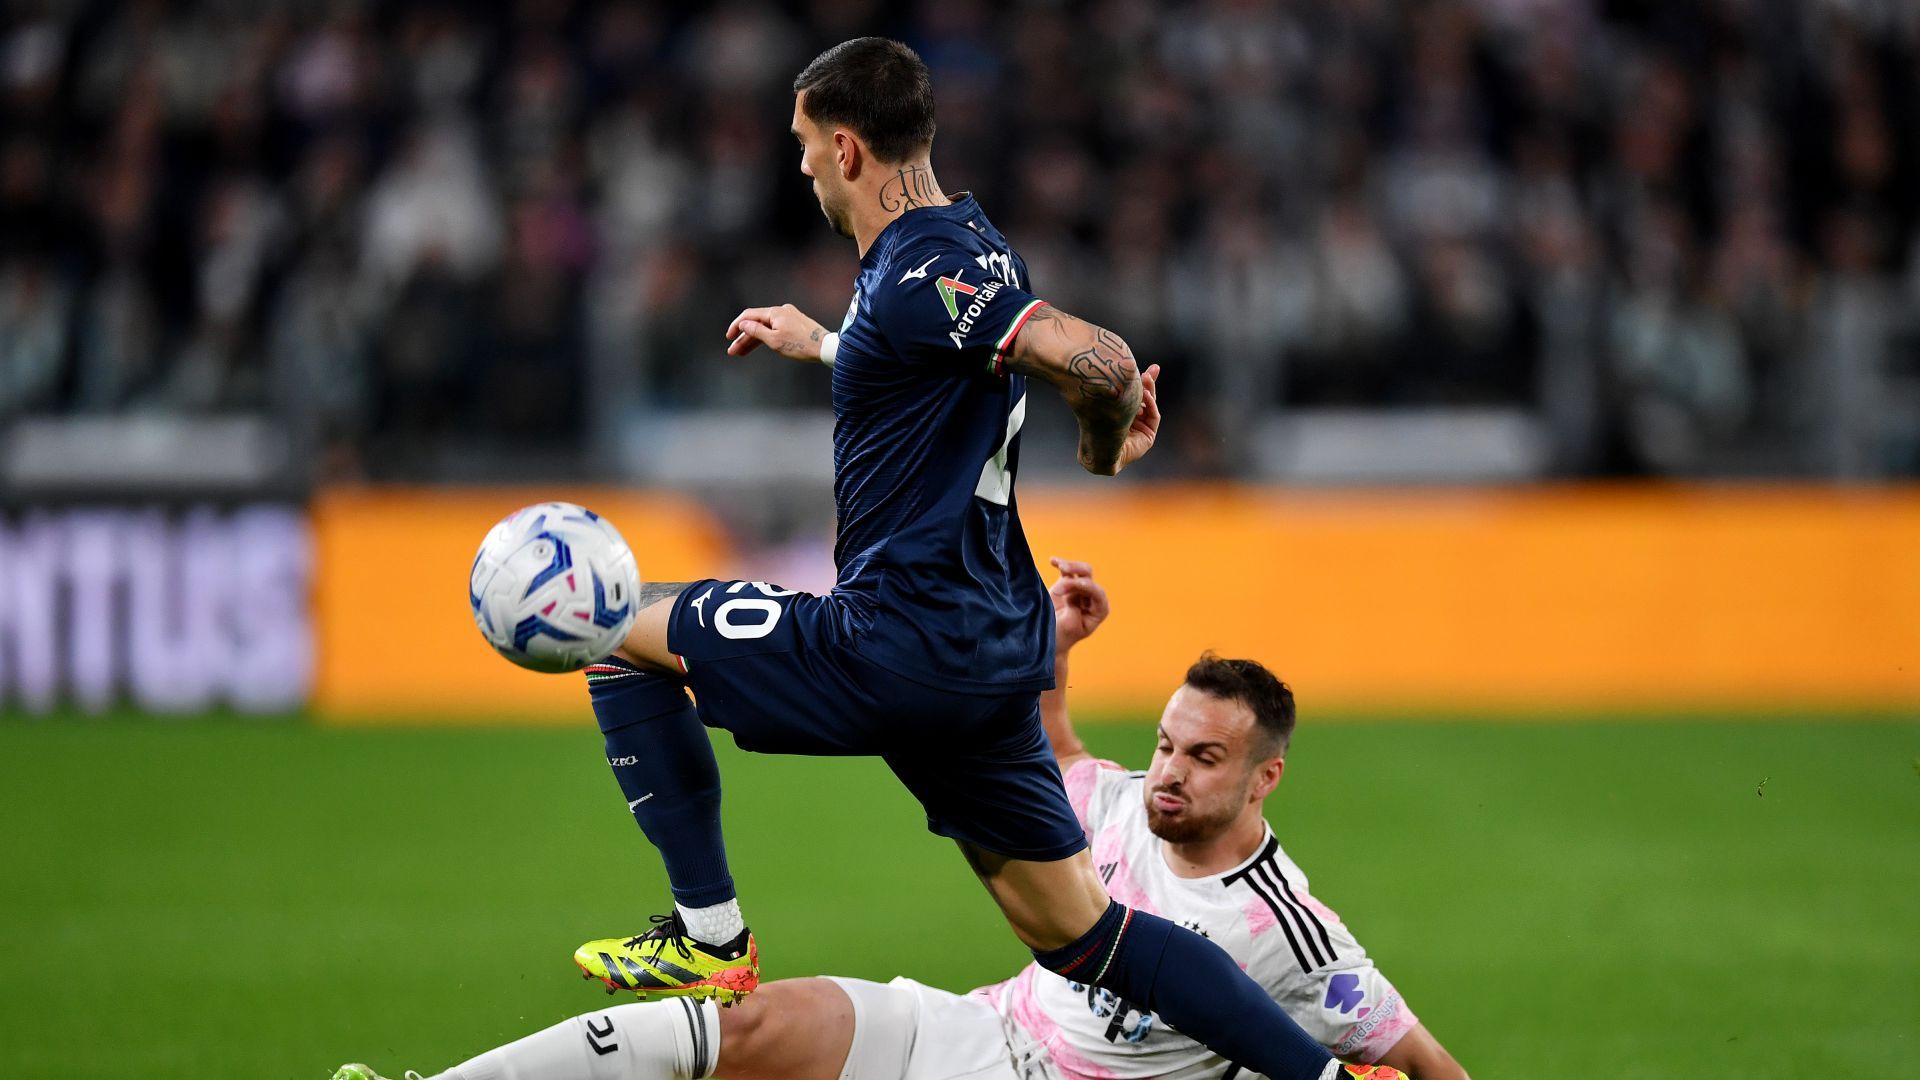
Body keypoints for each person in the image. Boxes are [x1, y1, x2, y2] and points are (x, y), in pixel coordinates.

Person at [565, 37, 1364, 1080]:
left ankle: (709, 939)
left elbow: (1101, 357)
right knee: (1088, 937)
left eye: (806, 146)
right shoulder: (970, 243)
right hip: (991, 656)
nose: (799, 166)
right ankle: (1326, 1078)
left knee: (610, 624)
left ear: (847, 149)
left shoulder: (918, 271)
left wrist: (1101, 445)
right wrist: (827, 346)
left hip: (896, 639)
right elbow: (943, 362)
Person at [331, 561, 1463, 1080]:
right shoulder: (1119, 802)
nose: (1167, 773)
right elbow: (1053, 755)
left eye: (1203, 759)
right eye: (1167, 744)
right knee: (751, 1028)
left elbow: (1422, 1062)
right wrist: (1058, 647)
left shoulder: (1293, 934)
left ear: (1264, 780)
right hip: (983, 1038)